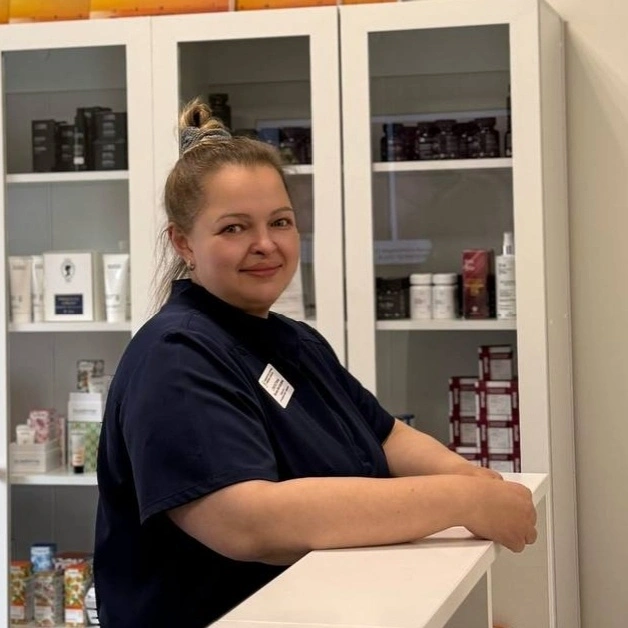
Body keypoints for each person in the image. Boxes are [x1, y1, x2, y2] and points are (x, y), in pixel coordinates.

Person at [94, 99, 537, 628]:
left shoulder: (293, 340)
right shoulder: (176, 356)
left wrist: (472, 480)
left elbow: (386, 436)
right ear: (183, 242)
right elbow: (247, 522)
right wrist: (458, 501)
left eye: (280, 222)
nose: (265, 244)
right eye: (234, 228)